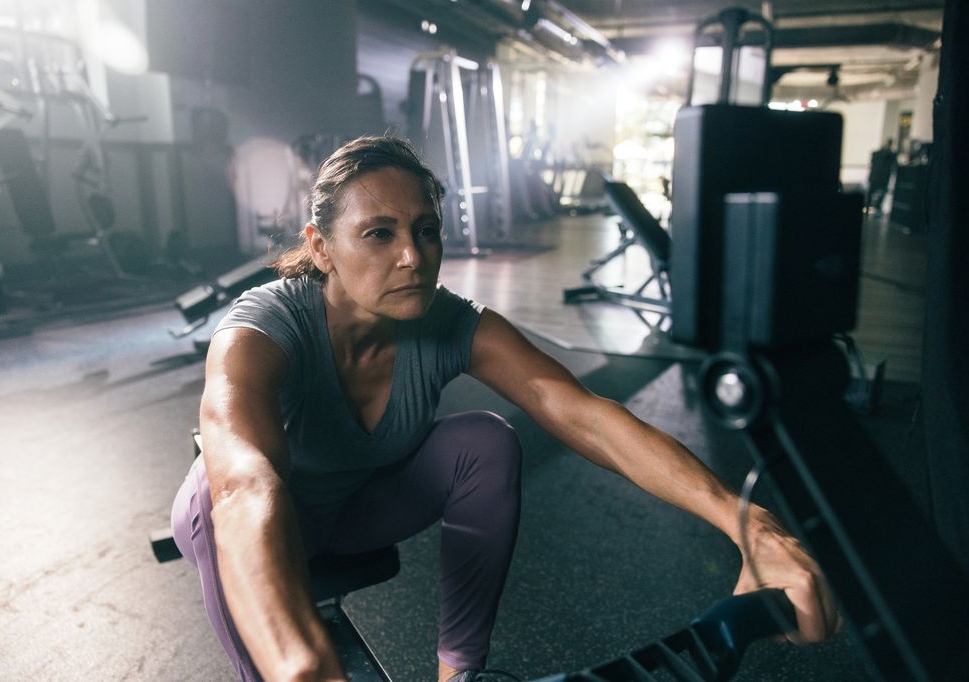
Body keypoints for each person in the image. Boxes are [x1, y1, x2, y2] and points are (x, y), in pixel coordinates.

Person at [170, 136, 840, 682]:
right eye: (378, 234)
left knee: (485, 442)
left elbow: (584, 415)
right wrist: (300, 662)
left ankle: (458, 674)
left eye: (425, 230)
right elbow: (243, 484)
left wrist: (755, 529)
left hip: (352, 515)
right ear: (321, 247)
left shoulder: (449, 324)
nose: (413, 256)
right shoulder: (263, 325)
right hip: (249, 525)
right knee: (210, 487)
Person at [866, 138, 897, 212]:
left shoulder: (876, 153)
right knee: (882, 191)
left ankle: (868, 206)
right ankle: (877, 207)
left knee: (871, 192)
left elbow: (872, 162)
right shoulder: (891, 154)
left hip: (874, 176)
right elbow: (894, 166)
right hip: (883, 177)